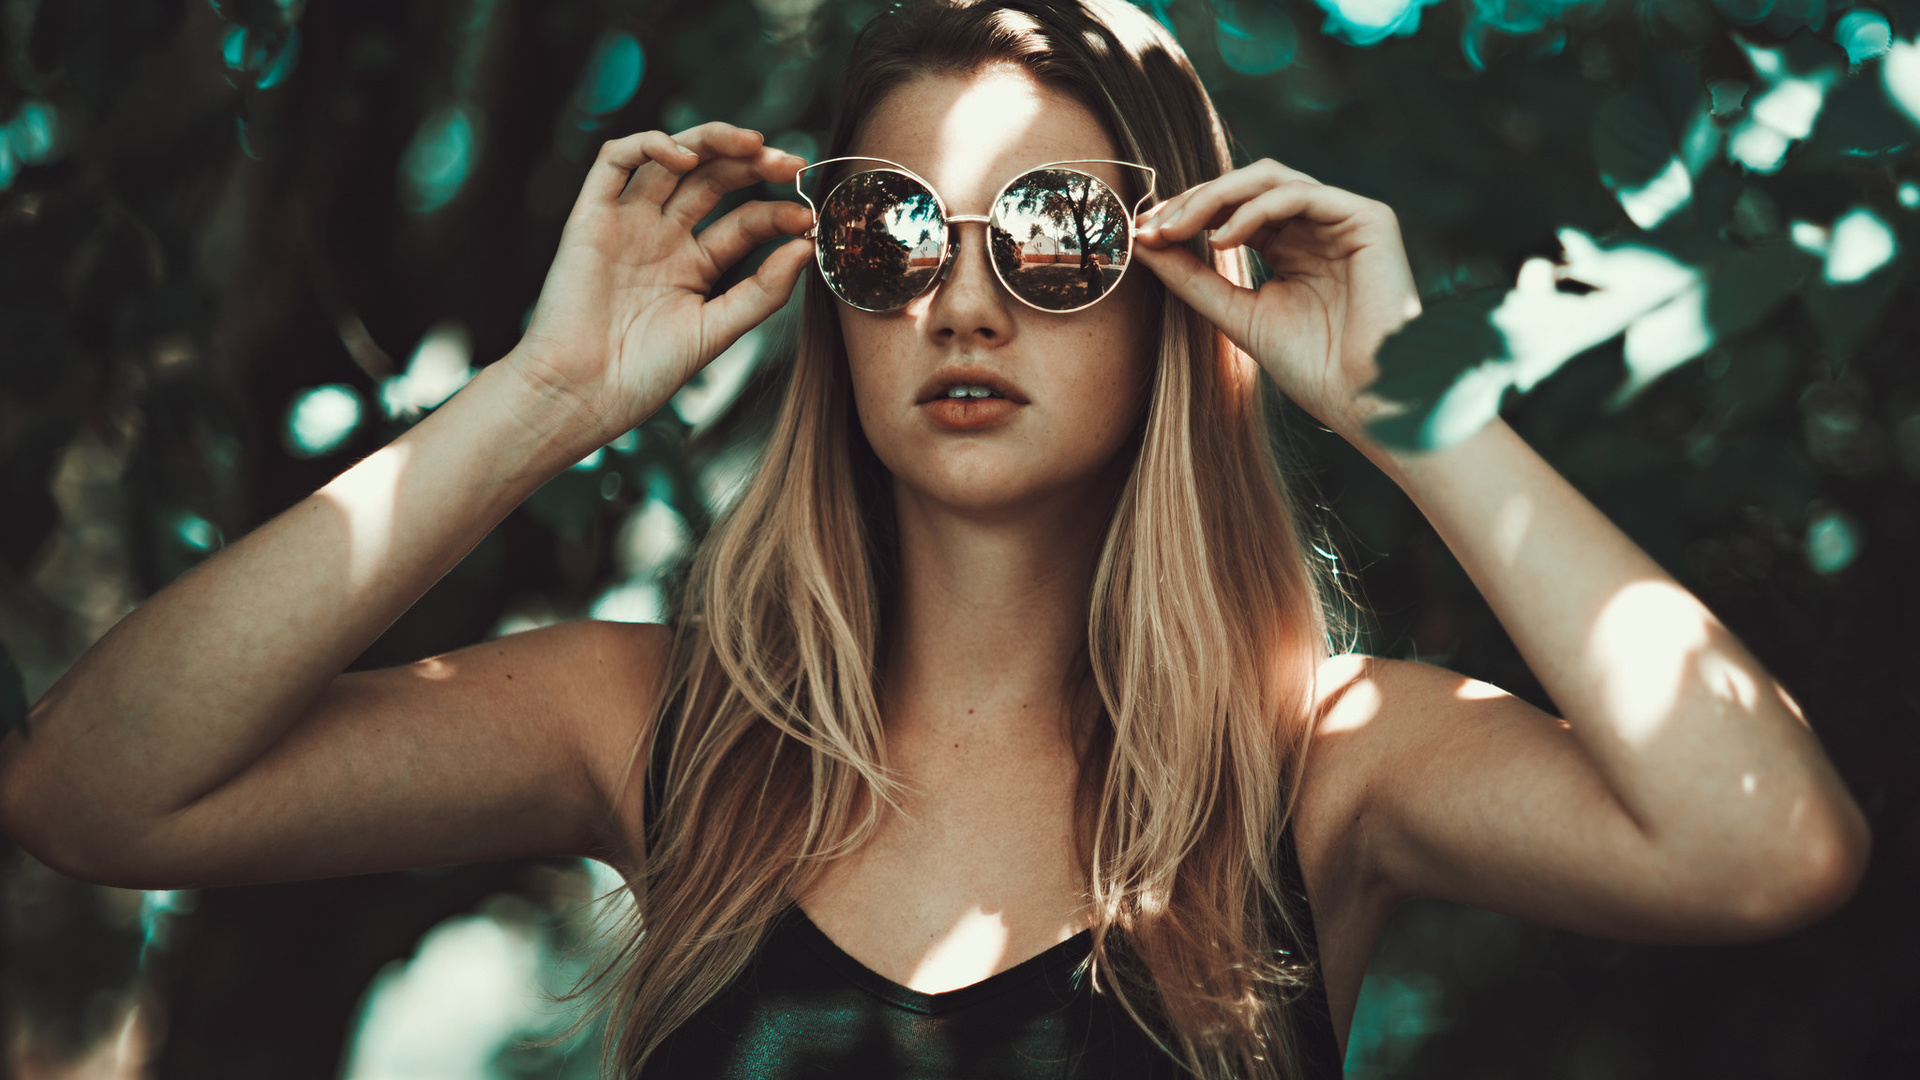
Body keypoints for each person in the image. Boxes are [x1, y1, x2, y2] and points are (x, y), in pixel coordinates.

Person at [0, 1, 1870, 1076]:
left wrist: (1418, 408)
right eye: (891, 233)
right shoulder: (656, 732)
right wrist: (548, 399)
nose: (960, 305)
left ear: (1176, 291)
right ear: (832, 296)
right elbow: (98, 796)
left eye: (1055, 232)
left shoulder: (1326, 760)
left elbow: (1768, 847)